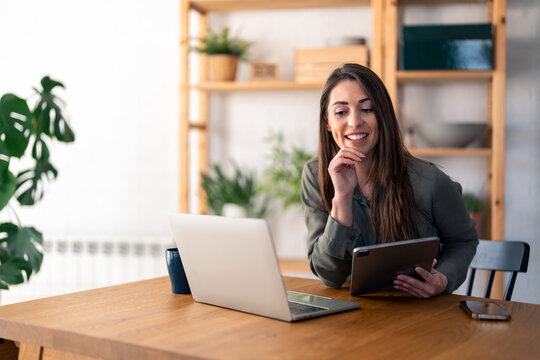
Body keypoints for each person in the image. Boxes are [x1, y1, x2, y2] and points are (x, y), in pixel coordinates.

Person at [301, 63, 478, 298]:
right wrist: (341, 199)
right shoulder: (316, 175)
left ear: (382, 115)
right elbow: (329, 276)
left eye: (367, 109)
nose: (354, 122)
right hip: (351, 315)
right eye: (341, 112)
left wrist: (443, 279)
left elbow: (463, 241)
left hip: (415, 311)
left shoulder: (430, 181)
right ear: (327, 122)